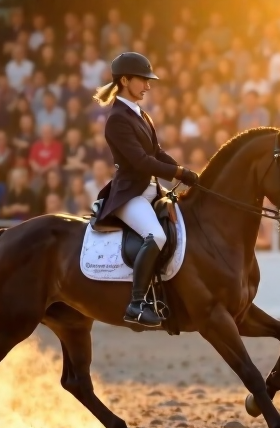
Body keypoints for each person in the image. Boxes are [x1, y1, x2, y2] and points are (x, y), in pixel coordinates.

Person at [92, 52, 199, 328]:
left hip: (150, 189)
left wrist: (185, 173)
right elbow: (140, 161)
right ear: (125, 80)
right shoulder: (117, 119)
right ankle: (136, 303)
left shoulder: (140, 114)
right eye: (143, 81)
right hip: (130, 194)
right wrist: (179, 173)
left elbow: (157, 152)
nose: (148, 86)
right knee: (157, 235)